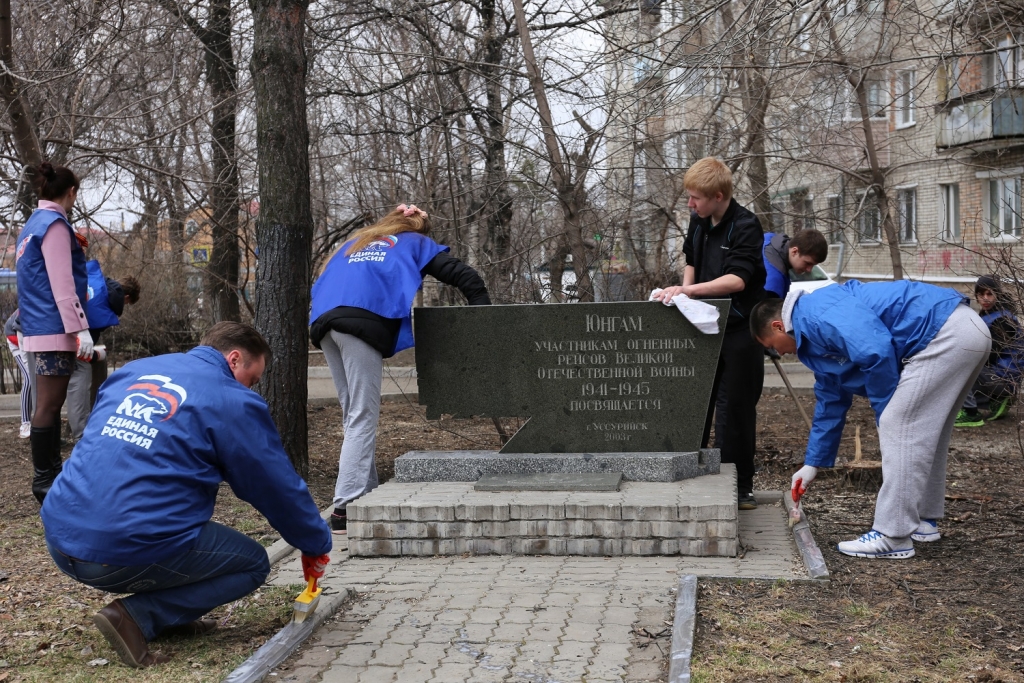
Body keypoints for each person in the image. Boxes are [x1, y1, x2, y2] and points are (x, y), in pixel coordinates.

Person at [40, 322, 331, 668]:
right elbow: (276, 487)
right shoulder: (230, 399)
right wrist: (315, 542)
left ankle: (174, 619)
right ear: (235, 359)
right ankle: (135, 616)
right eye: (253, 379)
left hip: (60, 537)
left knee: (176, 525)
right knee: (253, 564)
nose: (253, 389)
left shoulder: (135, 371)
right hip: (117, 550)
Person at [750, 280, 991, 559]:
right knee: (926, 430)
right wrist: (812, 464)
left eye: (772, 346)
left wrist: (885, 413)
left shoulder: (816, 311)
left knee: (898, 425)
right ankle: (923, 522)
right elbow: (830, 402)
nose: (778, 353)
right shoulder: (812, 334)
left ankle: (893, 535)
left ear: (778, 326)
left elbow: (875, 349)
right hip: (963, 330)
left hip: (943, 332)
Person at [310, 204, 491, 534]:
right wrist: (485, 321)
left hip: (324, 323)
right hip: (359, 322)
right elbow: (467, 277)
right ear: (418, 228)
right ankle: (345, 508)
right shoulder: (414, 242)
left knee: (353, 413)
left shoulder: (355, 243)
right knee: (363, 414)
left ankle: (363, 495)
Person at [653, 157, 767, 510]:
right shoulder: (698, 221)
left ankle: (739, 485)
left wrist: (688, 292)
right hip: (702, 325)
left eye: (696, 198)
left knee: (734, 409)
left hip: (738, 329)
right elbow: (691, 261)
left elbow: (737, 280)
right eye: (689, 197)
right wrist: (682, 298)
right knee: (693, 400)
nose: (690, 204)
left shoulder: (746, 225)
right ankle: (691, 473)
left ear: (718, 196)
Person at [15, 162, 93, 503]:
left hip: (37, 325)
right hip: (54, 328)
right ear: (71, 192)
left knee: (46, 404)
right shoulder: (55, 226)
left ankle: (49, 476)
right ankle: (46, 481)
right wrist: (82, 329)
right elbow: (63, 287)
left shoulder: (31, 224)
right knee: (49, 404)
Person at [66, 262, 141, 440]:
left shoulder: (95, 281)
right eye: (128, 303)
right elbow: (84, 345)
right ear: (127, 296)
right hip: (68, 343)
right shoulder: (106, 305)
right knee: (81, 379)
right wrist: (95, 354)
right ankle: (82, 434)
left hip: (43, 333)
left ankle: (61, 432)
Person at [954, 274, 1023, 427]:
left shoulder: (1003, 321)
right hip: (1002, 378)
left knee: (959, 365)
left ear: (997, 295)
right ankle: (997, 400)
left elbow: (987, 355)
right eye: (981, 294)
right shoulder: (990, 315)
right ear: (977, 296)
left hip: (1003, 379)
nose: (985, 298)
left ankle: (971, 413)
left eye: (990, 293)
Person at [762, 228, 830, 298]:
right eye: (808, 263)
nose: (809, 270)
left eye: (813, 265)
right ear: (794, 252)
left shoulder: (769, 239)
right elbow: (767, 308)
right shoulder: (774, 278)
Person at [4, 310, 33, 438]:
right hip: (15, 339)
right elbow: (13, 333)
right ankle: (25, 424)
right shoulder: (27, 310)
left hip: (32, 340)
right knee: (29, 378)